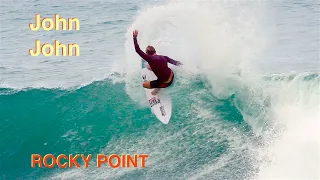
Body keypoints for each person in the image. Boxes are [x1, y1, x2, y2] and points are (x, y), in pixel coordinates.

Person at [133, 30, 182, 95]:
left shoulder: (149, 59)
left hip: (166, 83)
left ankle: (158, 87)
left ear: (147, 53)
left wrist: (134, 37)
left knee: (144, 84)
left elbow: (137, 50)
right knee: (151, 67)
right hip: (172, 75)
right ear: (155, 52)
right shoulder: (164, 57)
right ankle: (159, 82)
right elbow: (176, 63)